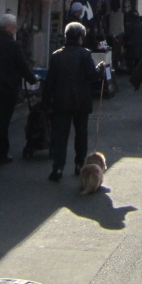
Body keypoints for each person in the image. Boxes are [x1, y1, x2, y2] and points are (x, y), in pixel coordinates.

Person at [43, 21, 104, 182]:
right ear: (80, 38)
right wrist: (100, 69)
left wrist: (45, 102)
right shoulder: (85, 54)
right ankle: (79, 164)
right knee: (81, 134)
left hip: (61, 101)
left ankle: (58, 168)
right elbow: (91, 76)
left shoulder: (56, 55)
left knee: (60, 136)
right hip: (81, 101)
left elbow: (50, 81)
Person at [0, 14, 38, 164]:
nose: (16, 29)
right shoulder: (13, 45)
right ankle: (1, 153)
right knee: (2, 122)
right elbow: (22, 66)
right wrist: (33, 79)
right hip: (6, 89)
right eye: (14, 26)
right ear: (9, 27)